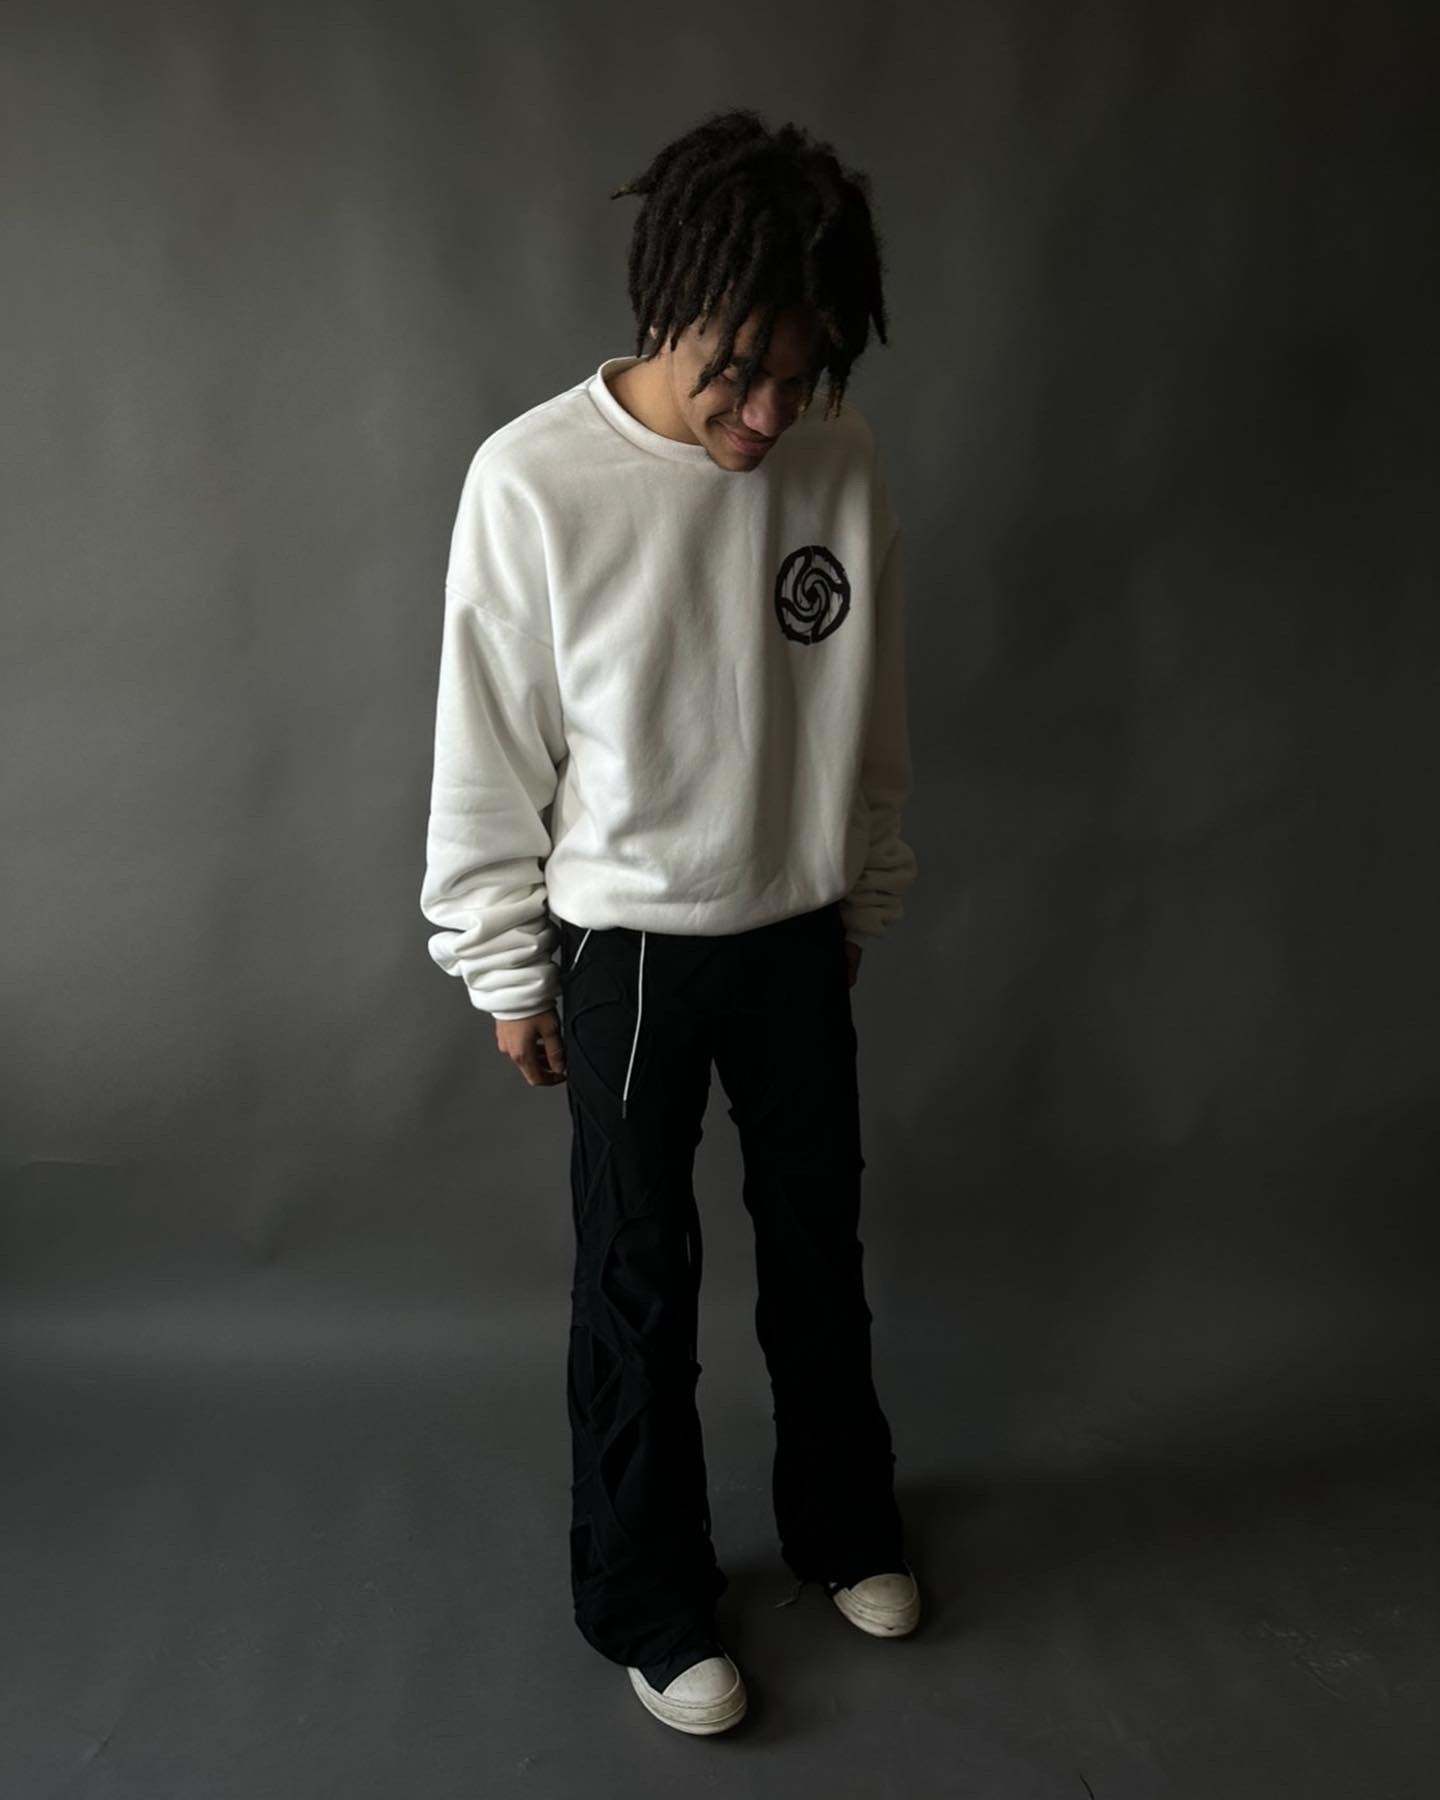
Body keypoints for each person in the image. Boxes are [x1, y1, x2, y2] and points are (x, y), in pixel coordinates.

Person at [420, 106, 921, 1737]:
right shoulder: (534, 479)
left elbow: (868, 705)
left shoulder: (836, 456)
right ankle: (646, 1596)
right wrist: (506, 967)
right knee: (639, 1282)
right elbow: (487, 745)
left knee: (819, 1254)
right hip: (625, 948)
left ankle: (843, 1528)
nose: (769, 415)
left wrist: (858, 885)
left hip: (794, 934)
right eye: (743, 373)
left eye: (804, 376)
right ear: (671, 304)